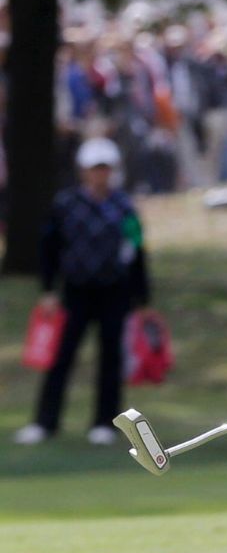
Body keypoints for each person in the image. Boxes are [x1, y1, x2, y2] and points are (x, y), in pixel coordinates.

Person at [14, 138, 153, 446]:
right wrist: (49, 289)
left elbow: (137, 251)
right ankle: (45, 422)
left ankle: (105, 422)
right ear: (84, 171)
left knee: (110, 358)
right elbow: (49, 248)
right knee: (61, 357)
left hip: (114, 292)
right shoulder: (65, 205)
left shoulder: (125, 207)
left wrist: (142, 298)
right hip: (75, 291)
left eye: (105, 168)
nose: (100, 174)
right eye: (94, 168)